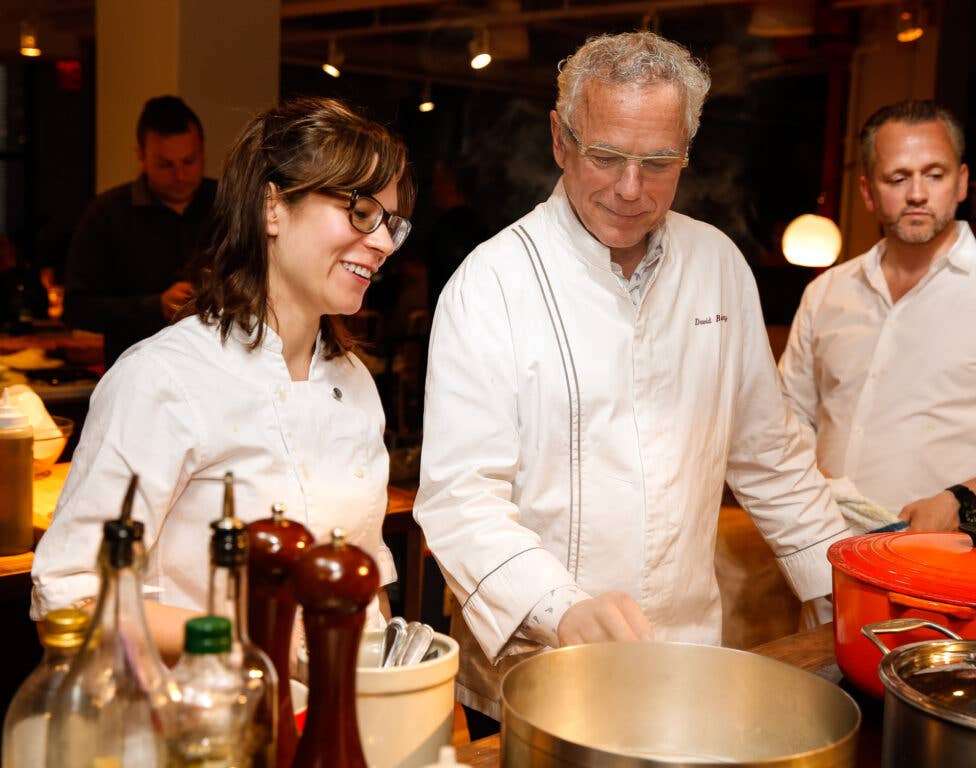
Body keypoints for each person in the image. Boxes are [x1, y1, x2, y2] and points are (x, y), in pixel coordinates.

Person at [413, 31, 849, 733]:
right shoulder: (491, 283)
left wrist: (843, 596)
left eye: (657, 162)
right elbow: (462, 498)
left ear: (688, 152)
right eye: (607, 156)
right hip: (533, 671)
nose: (628, 188)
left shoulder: (718, 265)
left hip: (683, 662)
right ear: (561, 139)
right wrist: (562, 607)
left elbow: (771, 460)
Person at [31, 97, 414, 660]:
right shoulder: (163, 379)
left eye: (391, 223)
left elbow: (365, 582)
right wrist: (243, 648)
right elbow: (72, 596)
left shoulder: (354, 383)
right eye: (360, 211)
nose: (382, 242)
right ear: (272, 208)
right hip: (192, 729)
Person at [779, 100, 976, 532]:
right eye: (897, 178)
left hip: (949, 571)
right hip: (827, 558)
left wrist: (963, 500)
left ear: (962, 182)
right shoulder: (826, 294)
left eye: (934, 174)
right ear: (868, 192)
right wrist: (804, 482)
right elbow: (787, 414)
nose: (916, 193)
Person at [63, 96, 217, 369]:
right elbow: (76, 308)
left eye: (189, 161)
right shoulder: (107, 213)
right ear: (141, 157)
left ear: (203, 150)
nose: (180, 175)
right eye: (165, 165)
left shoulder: (227, 203)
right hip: (136, 375)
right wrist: (154, 306)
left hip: (216, 372)